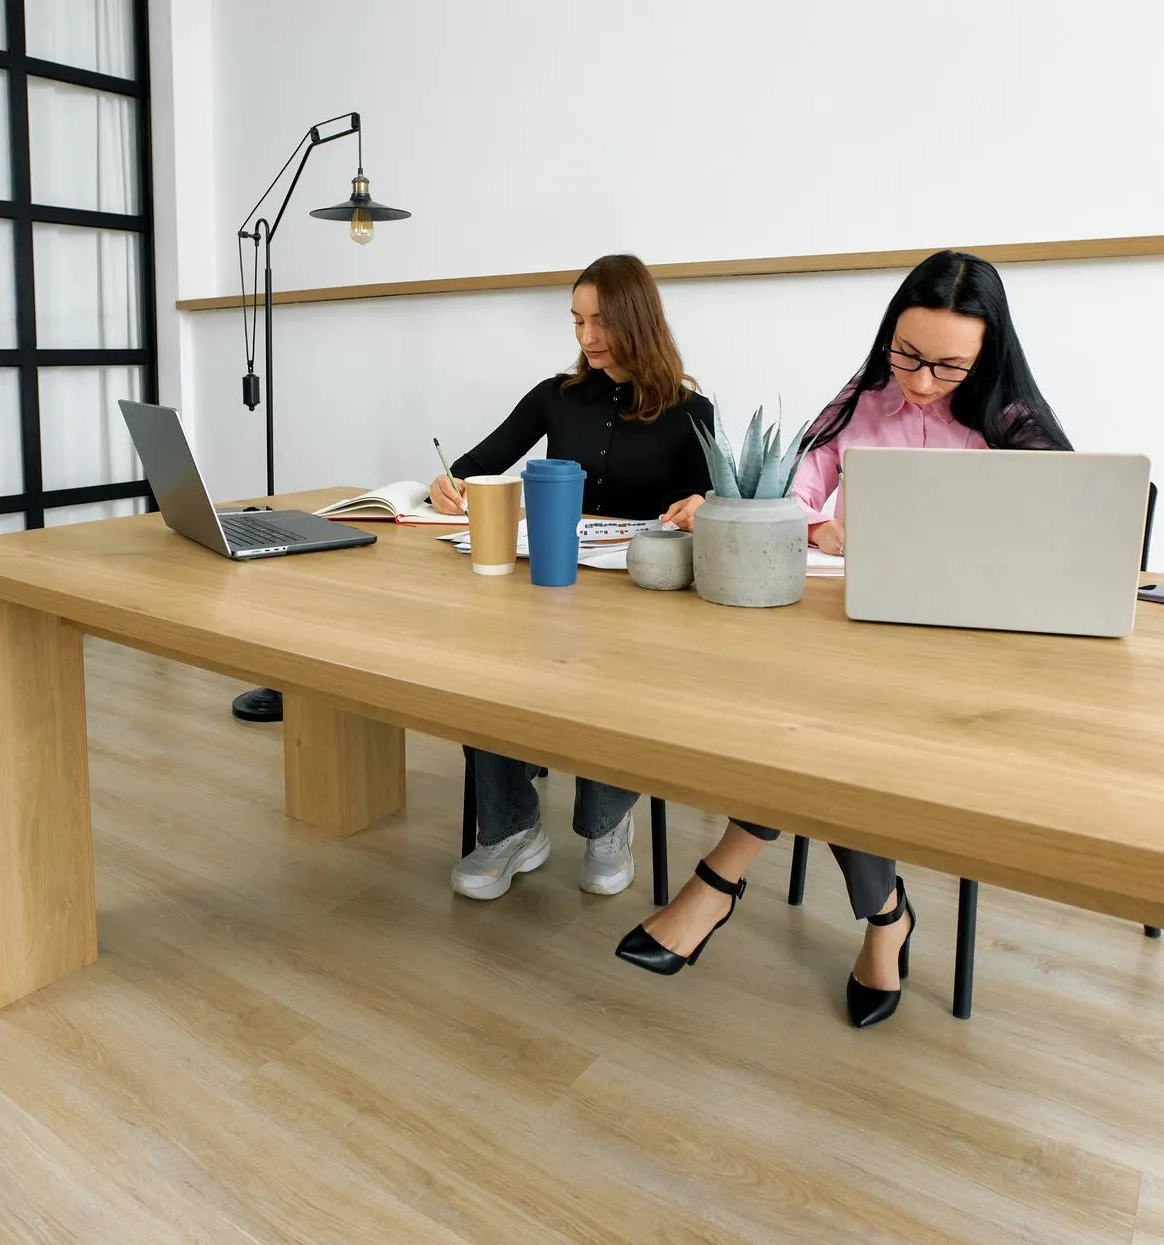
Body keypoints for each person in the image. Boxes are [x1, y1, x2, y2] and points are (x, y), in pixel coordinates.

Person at [614, 250, 1071, 1027]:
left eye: (948, 367)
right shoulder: (863, 399)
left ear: (988, 356)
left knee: (819, 728)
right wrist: (810, 520)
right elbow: (794, 486)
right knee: (815, 718)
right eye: (907, 354)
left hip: (964, 673)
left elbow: (1055, 547)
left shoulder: (1016, 429)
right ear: (888, 334)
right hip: (859, 645)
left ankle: (720, 880)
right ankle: (885, 914)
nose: (921, 382)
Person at [432, 254, 714, 903]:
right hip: (552, 585)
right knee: (490, 657)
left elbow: (726, 499)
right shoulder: (554, 397)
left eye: (601, 322)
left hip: (642, 599)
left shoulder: (689, 409)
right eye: (578, 320)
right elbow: (478, 464)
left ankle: (607, 822)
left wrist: (705, 503)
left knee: (621, 665)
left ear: (637, 322)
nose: (586, 338)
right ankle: (511, 827)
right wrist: (450, 483)